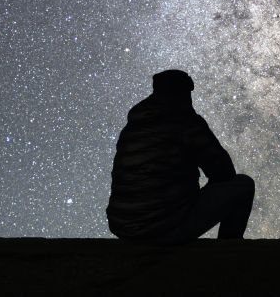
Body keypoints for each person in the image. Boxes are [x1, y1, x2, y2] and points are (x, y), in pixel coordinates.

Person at [106, 69, 254, 243]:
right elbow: (224, 171)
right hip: (163, 229)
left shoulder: (132, 127)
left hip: (124, 226)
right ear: (183, 92)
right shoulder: (186, 122)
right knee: (243, 185)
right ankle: (229, 251)